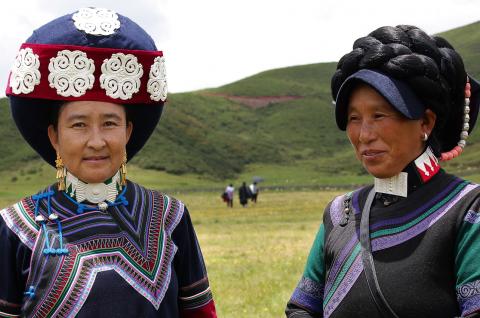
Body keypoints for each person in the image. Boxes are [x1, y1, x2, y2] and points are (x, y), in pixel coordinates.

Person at [0, 8, 216, 317]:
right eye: (78, 125)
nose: (97, 141)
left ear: (128, 132)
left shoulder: (171, 218)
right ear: (54, 137)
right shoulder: (17, 229)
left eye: (110, 123)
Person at [286, 25, 480, 317]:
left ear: (425, 122)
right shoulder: (341, 214)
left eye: (379, 116)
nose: (364, 134)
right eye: (354, 118)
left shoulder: (467, 211)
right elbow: (301, 309)